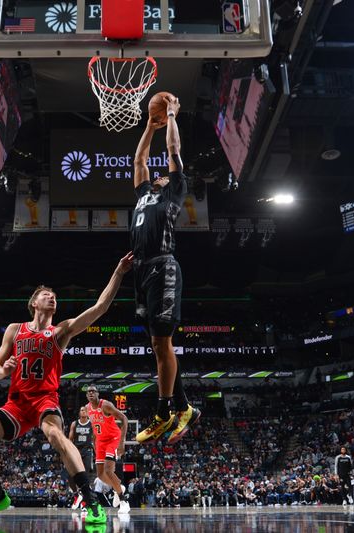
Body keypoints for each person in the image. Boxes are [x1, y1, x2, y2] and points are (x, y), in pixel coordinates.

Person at [0, 253, 134, 525]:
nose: (52, 297)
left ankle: (90, 501)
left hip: (45, 399)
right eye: (46, 294)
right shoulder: (14, 330)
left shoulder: (61, 331)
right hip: (17, 402)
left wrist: (118, 272)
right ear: (33, 303)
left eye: (54, 296)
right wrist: (4, 370)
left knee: (55, 435)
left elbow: (100, 307)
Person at [131, 94, 199, 444]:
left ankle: (164, 411)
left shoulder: (174, 191)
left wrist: (171, 116)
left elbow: (172, 151)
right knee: (160, 347)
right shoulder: (143, 191)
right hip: (140, 272)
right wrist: (148, 125)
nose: (156, 175)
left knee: (162, 342)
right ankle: (184, 406)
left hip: (163, 266)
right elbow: (140, 158)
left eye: (163, 175)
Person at [85, 386, 130, 513]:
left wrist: (122, 442)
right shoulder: (87, 408)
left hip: (113, 439)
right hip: (100, 441)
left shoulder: (105, 405)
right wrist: (94, 444)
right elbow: (95, 427)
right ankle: (118, 487)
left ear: (98, 393)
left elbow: (124, 419)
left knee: (108, 471)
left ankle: (123, 500)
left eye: (93, 391)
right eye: (88, 392)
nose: (91, 393)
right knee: (100, 475)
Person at [67, 405, 94, 510]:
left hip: (87, 451)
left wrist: (97, 454)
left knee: (84, 476)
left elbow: (95, 439)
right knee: (70, 475)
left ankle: (85, 501)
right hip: (76, 451)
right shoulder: (74, 424)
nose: (83, 411)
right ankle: (76, 495)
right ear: (79, 413)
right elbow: (70, 439)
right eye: (81, 410)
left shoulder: (91, 424)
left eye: (85, 410)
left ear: (88, 413)